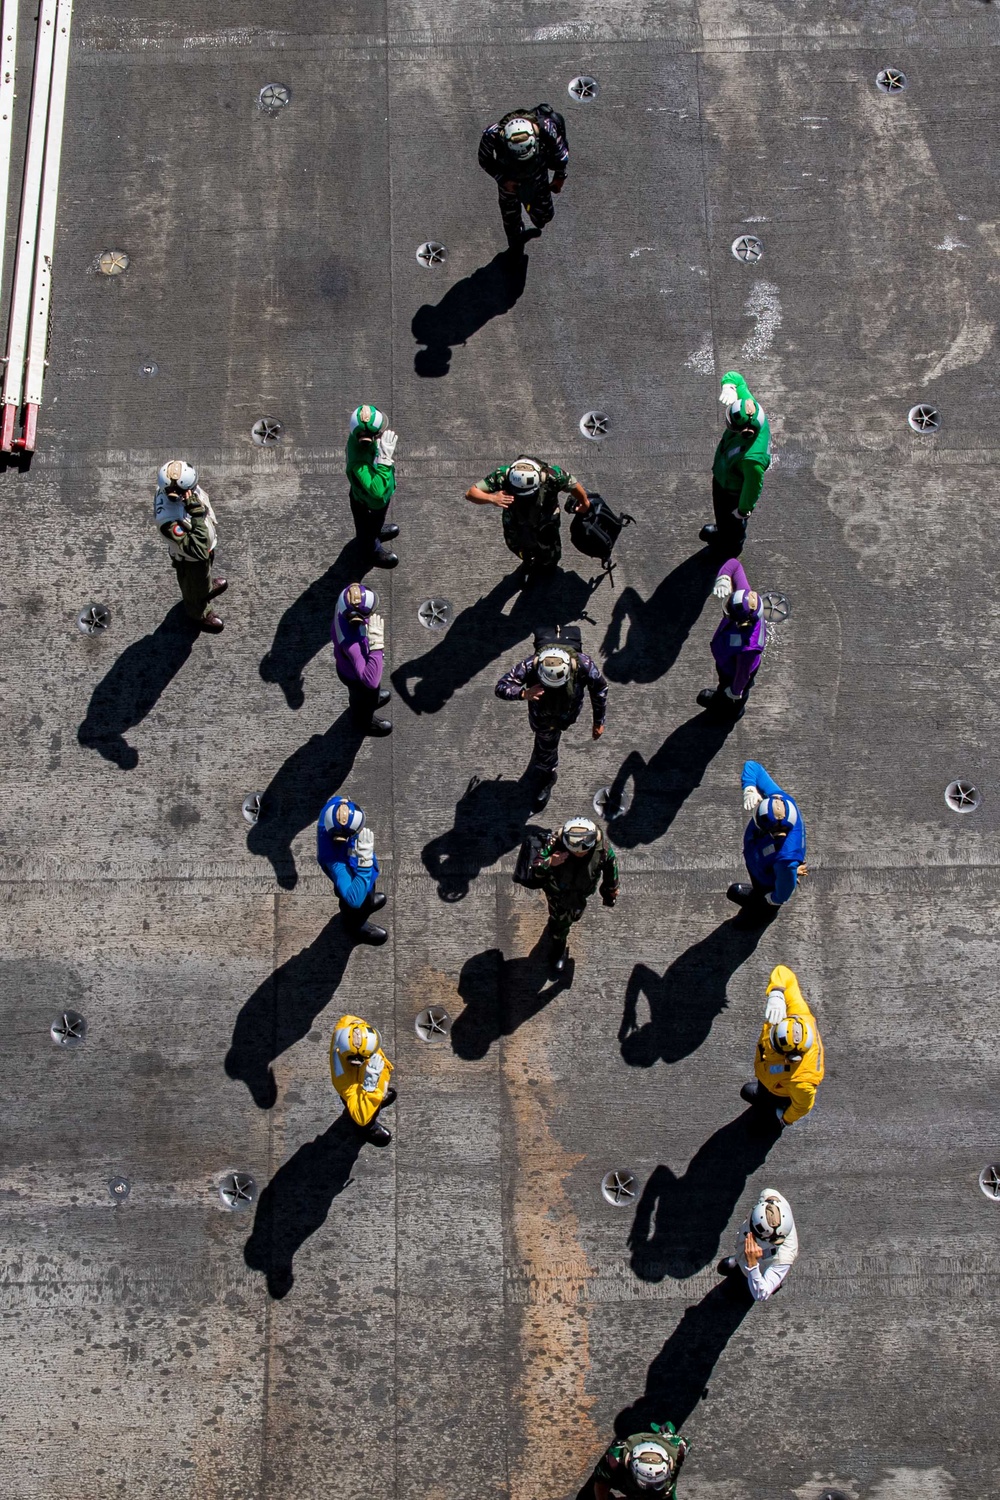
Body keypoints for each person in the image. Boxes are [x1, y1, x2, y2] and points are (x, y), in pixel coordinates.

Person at [495, 627, 607, 810]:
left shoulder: (583, 664)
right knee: (546, 744)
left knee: (545, 745)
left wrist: (598, 721)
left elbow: (600, 689)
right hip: (543, 718)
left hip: (565, 714)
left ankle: (546, 769)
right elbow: (501, 687)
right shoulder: (531, 664)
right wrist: (523, 693)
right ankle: (548, 773)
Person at [466, 455, 591, 579]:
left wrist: (584, 502)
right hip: (516, 521)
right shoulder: (504, 475)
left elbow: (573, 484)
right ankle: (528, 560)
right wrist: (492, 498)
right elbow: (471, 493)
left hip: (545, 521)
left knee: (550, 550)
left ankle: (547, 568)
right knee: (517, 545)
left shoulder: (552, 475)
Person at [532, 816, 619, 973]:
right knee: (559, 922)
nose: (579, 855)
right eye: (574, 851)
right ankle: (559, 948)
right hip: (556, 893)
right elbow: (536, 867)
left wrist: (610, 892)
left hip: (580, 894)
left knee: (574, 916)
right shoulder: (554, 841)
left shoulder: (603, 851)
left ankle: (558, 926)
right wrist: (550, 861)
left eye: (583, 851)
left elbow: (611, 871)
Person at [741, 964, 824, 1127]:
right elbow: (784, 973)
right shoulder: (799, 1013)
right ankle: (763, 1096)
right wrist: (777, 992)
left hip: (779, 1092)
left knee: (764, 1118)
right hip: (768, 1081)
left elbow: (802, 1106)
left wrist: (785, 1120)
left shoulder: (802, 1081)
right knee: (749, 1092)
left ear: (789, 1056)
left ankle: (771, 1120)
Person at [478, 103, 569, 248]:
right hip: (508, 180)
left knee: (544, 217)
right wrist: (503, 180)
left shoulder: (546, 129)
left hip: (538, 176)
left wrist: (560, 177)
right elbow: (484, 160)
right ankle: (515, 244)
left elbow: (561, 155)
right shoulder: (492, 135)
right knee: (510, 220)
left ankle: (534, 212)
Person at [699, 370, 771, 553]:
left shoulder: (752, 459)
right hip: (724, 477)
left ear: (746, 432)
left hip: (732, 492)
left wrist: (742, 510)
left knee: (731, 520)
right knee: (722, 517)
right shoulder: (749, 405)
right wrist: (729, 386)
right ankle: (723, 531)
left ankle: (730, 547)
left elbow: (753, 486)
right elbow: (736, 378)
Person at [153, 459, 226, 632]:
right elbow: (198, 551)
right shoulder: (169, 521)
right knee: (194, 587)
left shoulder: (180, 491)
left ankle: (206, 587)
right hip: (191, 560)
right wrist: (197, 514)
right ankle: (198, 612)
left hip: (205, 550)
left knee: (204, 575)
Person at [729, 761, 806, 915]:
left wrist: (774, 899)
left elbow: (785, 885)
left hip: (767, 881)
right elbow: (752, 767)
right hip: (760, 863)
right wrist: (750, 788)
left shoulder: (786, 858)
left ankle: (762, 913)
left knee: (748, 918)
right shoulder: (781, 801)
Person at [697, 558, 765, 719]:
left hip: (733, 672)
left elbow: (742, 673)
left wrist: (734, 691)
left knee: (734, 695)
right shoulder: (748, 601)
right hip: (728, 661)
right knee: (728, 688)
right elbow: (734, 564)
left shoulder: (748, 646)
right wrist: (724, 577)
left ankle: (731, 712)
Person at [316, 795, 388, 944]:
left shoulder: (332, 809)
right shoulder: (335, 862)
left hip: (361, 875)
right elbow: (353, 900)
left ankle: (368, 902)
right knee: (357, 907)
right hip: (353, 885)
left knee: (368, 894)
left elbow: (338, 799)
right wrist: (365, 861)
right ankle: (355, 926)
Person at [332, 583, 391, 736]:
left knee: (366, 697)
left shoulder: (343, 606)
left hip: (345, 666)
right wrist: (377, 646)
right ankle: (364, 722)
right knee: (363, 700)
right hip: (356, 678)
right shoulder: (353, 644)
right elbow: (370, 681)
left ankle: (370, 702)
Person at [719, 1188, 798, 1301]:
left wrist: (752, 1264)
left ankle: (771, 1283)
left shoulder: (783, 1258)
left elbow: (761, 1295)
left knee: (749, 1290)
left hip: (762, 1266)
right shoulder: (768, 1195)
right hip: (745, 1254)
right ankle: (740, 1263)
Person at [345, 404, 399, 569]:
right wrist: (384, 460)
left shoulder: (360, 439)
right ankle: (371, 551)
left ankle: (375, 532)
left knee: (375, 523)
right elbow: (377, 491)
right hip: (368, 504)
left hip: (370, 501)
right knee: (366, 532)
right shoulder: (359, 461)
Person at [329, 1015, 395, 1146]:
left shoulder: (349, 1027)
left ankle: (377, 1101)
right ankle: (367, 1130)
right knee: (363, 1118)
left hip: (366, 1078)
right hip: (361, 1097)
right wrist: (369, 1087)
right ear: (355, 1061)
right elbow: (361, 1116)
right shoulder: (343, 1078)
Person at [591, 1422, 689, 1498]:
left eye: (656, 1483)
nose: (651, 1488)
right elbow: (601, 1483)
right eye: (646, 1484)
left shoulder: (679, 1451)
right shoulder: (614, 1461)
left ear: (670, 1464)